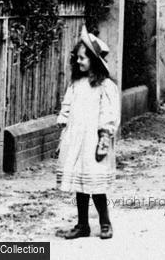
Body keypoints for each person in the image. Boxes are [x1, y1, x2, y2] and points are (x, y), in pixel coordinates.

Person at [56, 26, 121, 239]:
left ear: (94, 60)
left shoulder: (105, 86)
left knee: (96, 182)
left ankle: (104, 222)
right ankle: (82, 224)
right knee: (79, 184)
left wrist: (104, 136)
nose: (79, 62)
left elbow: (109, 114)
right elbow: (67, 107)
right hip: (76, 140)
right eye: (77, 58)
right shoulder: (76, 84)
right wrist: (63, 125)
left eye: (83, 58)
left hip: (94, 140)